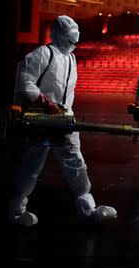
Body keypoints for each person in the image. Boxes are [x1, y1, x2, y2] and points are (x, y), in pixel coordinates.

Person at [8, 15, 117, 227]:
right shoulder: (44, 53)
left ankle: (88, 209)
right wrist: (43, 99)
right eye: (70, 35)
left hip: (64, 119)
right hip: (41, 120)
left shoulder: (71, 58)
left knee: (76, 163)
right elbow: (24, 80)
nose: (73, 40)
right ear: (60, 34)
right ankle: (16, 211)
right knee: (32, 166)